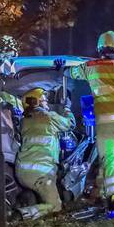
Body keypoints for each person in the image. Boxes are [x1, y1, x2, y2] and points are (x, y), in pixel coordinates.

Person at [57, 31, 114, 206]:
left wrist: (61, 68)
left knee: (110, 159)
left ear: (100, 48)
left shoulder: (90, 66)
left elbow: (70, 73)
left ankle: (113, 196)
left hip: (105, 124)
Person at [15, 87, 75, 219]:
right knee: (55, 206)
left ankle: (30, 210)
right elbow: (70, 124)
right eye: (44, 101)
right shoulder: (48, 117)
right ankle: (20, 216)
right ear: (36, 102)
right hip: (40, 173)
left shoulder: (24, 121)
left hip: (22, 171)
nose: (47, 104)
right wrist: (67, 108)